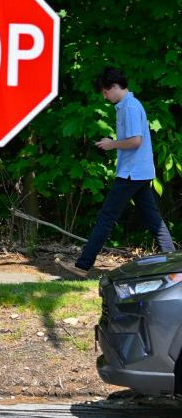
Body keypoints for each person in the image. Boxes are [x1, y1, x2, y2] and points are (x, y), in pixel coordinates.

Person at [56, 67, 174, 279]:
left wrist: (112, 145)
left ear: (114, 87)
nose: (104, 96)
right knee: (153, 220)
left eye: (104, 92)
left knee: (106, 217)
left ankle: (82, 266)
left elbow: (135, 141)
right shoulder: (127, 105)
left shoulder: (129, 107)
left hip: (131, 173)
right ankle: (175, 265)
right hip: (138, 172)